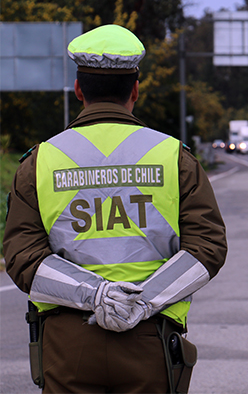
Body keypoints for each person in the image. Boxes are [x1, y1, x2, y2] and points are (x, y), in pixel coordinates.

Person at [3, 24, 227, 393]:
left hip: (66, 343)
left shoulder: (39, 162)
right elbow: (207, 248)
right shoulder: (174, 158)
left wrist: (95, 295)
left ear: (79, 90)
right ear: (135, 90)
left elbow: (22, 256)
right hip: (150, 337)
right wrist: (141, 303)